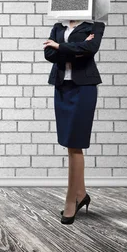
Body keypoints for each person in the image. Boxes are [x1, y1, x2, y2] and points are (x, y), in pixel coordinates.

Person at [42, 19, 105, 225]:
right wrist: (75, 49)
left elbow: (90, 49)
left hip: (83, 88)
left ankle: (71, 200)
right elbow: (48, 54)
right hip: (62, 87)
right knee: (69, 144)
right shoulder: (58, 27)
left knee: (75, 144)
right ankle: (82, 194)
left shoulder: (94, 26)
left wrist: (60, 47)